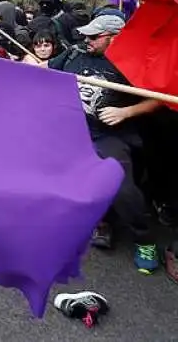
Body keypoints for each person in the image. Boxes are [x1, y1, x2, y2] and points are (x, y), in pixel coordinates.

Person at [47, 14, 161, 273]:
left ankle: (144, 239)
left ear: (115, 38)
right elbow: (47, 70)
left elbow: (158, 98)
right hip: (72, 132)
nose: (87, 40)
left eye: (95, 37)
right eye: (86, 35)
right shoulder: (75, 54)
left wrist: (125, 112)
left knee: (120, 186)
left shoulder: (134, 64)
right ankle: (95, 223)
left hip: (109, 136)